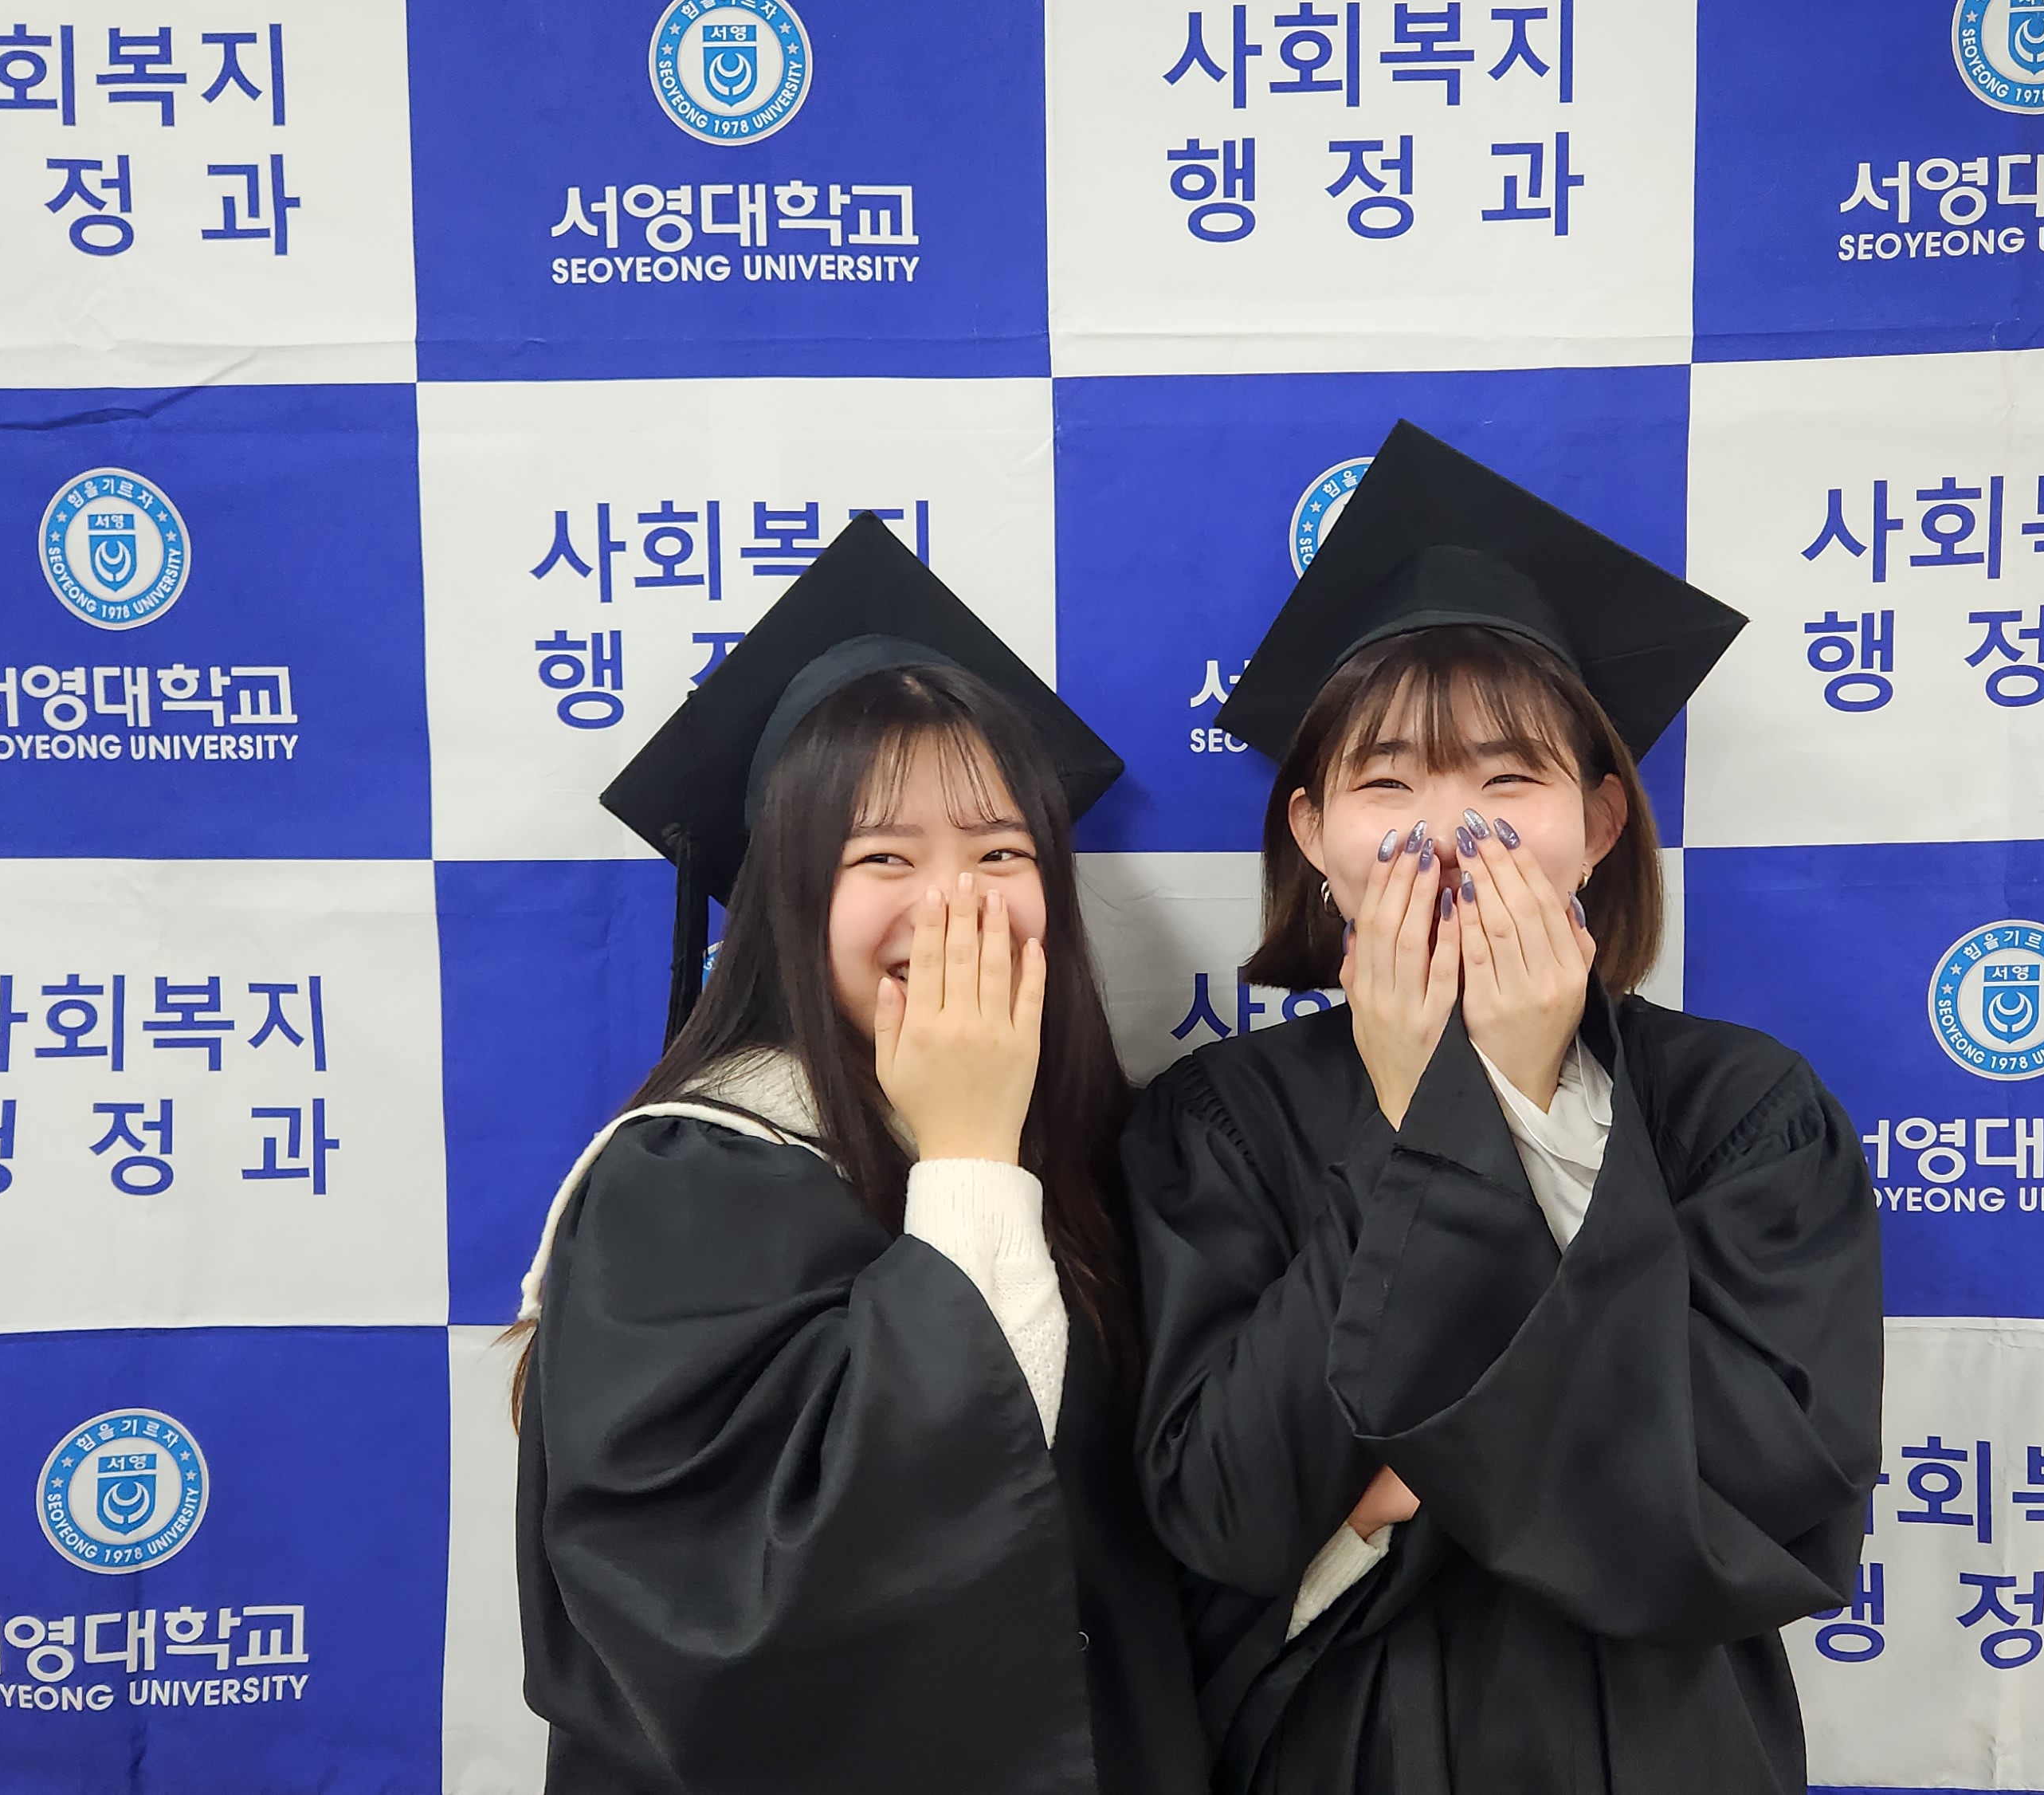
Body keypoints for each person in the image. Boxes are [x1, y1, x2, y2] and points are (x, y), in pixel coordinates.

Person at [1124, 423, 1885, 1793]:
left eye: (1507, 777)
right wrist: (1409, 1119)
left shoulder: (1741, 1111)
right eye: (1387, 781)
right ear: (1312, 835)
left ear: (1600, 826)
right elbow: (1231, 1513)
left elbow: (1772, 1494)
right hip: (1331, 1744)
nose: (1447, 829)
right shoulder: (1217, 1124)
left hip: (1664, 1747)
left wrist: (1530, 1104)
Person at [512, 515, 1209, 1795]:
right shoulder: (688, 1183)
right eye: (882, 856)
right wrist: (968, 1157)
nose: (954, 903)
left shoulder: (1111, 1160)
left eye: (1001, 853)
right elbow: (753, 1616)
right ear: (787, 896)